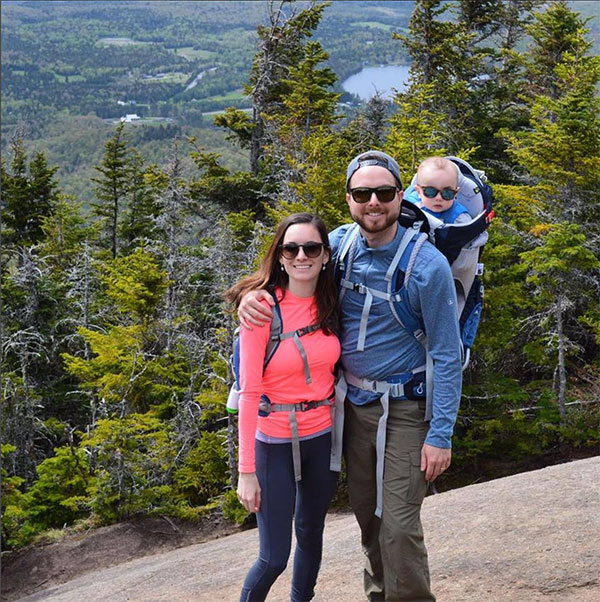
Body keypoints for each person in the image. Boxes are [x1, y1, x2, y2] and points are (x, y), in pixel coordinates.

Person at [239, 151, 462, 602]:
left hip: (406, 409)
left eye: (383, 192)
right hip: (354, 407)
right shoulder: (336, 246)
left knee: (397, 526)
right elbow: (292, 274)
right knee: (368, 516)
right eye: (363, 193)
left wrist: (441, 433)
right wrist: (250, 298)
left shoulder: (426, 266)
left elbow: (446, 353)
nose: (373, 202)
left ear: (401, 196)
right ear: (349, 199)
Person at [225, 212, 341, 602]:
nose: (301, 256)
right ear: (279, 256)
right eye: (291, 248)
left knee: (311, 535)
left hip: (322, 437)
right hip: (273, 442)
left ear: (326, 254)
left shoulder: (334, 302)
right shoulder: (261, 310)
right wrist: (247, 472)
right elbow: (249, 393)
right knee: (274, 556)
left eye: (312, 247)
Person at [405, 156, 471, 224]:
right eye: (430, 191)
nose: (439, 198)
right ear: (418, 191)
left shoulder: (459, 219)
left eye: (447, 193)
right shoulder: (409, 205)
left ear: (455, 193)